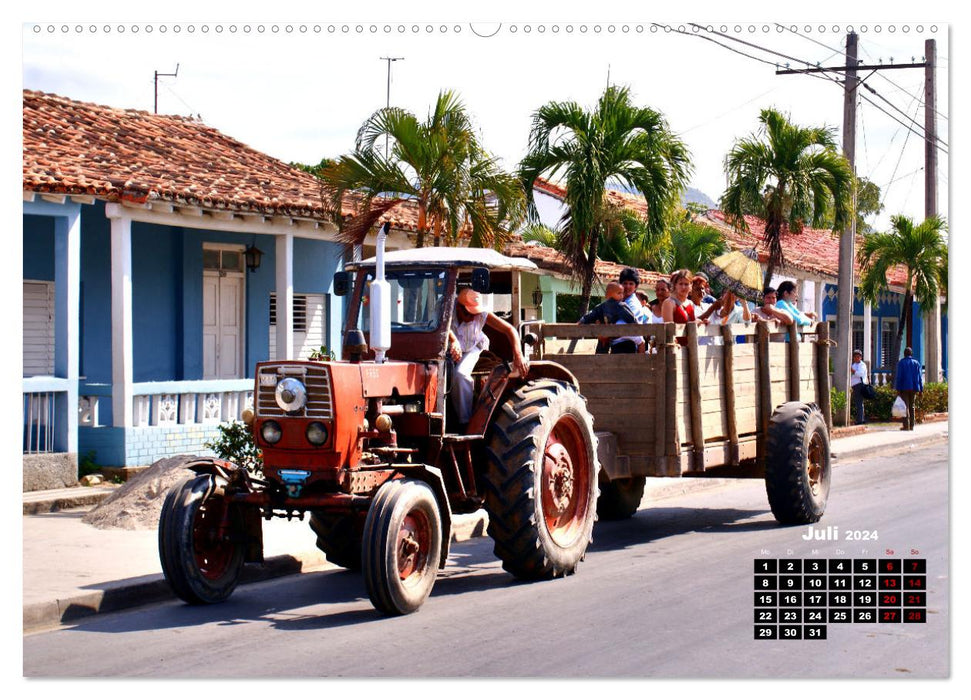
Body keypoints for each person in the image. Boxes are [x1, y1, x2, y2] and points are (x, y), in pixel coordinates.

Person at [447, 287, 529, 427]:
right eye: (469, 313)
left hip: (473, 348)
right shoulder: (446, 310)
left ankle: (464, 423)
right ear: (459, 308)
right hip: (448, 351)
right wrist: (453, 340)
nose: (473, 317)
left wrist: (518, 354)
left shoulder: (481, 314)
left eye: (475, 313)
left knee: (460, 375)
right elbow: (440, 326)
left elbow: (509, 330)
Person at [578, 281, 637, 354]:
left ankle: (600, 360)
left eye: (622, 293)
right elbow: (631, 317)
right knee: (603, 345)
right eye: (619, 293)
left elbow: (591, 315)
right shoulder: (620, 306)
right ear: (609, 294)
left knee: (602, 350)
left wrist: (582, 321)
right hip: (611, 335)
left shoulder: (602, 306)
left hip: (610, 334)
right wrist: (635, 323)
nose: (622, 295)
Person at [612, 267, 649, 353]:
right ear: (620, 285)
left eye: (631, 283)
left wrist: (607, 333)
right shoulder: (618, 301)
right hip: (616, 345)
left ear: (635, 286)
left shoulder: (633, 304)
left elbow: (621, 326)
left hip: (627, 346)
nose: (627, 286)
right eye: (625, 283)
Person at [894, 347, 924, 431]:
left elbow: (899, 377)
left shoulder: (901, 363)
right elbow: (919, 377)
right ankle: (912, 425)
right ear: (911, 354)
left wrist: (898, 388)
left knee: (905, 406)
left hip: (904, 387)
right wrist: (921, 389)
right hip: (914, 387)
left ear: (904, 354)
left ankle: (906, 425)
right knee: (912, 406)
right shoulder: (916, 363)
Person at [850, 349, 869, 426]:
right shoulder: (853, 365)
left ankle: (860, 420)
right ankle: (860, 418)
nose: (857, 358)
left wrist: (853, 371)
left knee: (859, 402)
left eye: (858, 357)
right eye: (855, 357)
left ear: (860, 357)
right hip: (855, 385)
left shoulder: (862, 365)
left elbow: (860, 374)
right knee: (858, 403)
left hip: (860, 385)